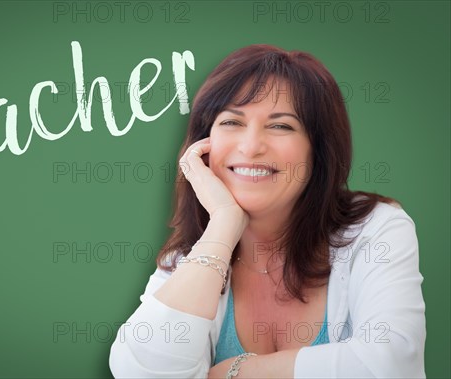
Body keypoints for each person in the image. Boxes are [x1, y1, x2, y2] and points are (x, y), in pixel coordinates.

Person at [108, 44, 426, 378]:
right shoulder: (195, 258)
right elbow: (139, 371)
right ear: (203, 146)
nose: (250, 146)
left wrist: (236, 372)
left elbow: (391, 363)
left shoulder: (375, 230)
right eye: (232, 121)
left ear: (318, 151)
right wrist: (223, 225)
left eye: (280, 126)